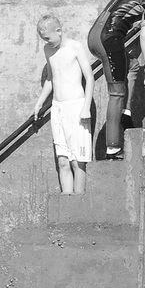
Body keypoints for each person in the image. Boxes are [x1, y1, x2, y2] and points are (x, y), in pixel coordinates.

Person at [87, 0, 145, 161]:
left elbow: (120, 15)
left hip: (93, 36)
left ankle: (126, 113)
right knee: (116, 93)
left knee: (132, 65)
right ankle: (113, 148)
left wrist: (144, 18)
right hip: (109, 41)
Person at [37, 14, 95, 194]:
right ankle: (66, 203)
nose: (46, 42)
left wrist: (86, 107)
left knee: (78, 161)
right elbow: (50, 78)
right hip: (58, 107)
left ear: (59, 31)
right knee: (62, 161)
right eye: (43, 39)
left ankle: (78, 205)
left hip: (77, 107)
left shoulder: (75, 47)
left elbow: (90, 77)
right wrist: (39, 103)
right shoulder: (48, 50)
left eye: (47, 38)